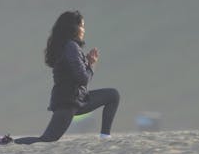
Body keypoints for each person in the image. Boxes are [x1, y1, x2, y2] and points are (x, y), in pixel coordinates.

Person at [14, 11, 120, 144]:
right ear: (74, 28)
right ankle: (7, 142)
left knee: (113, 95)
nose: (84, 30)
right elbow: (83, 79)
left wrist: (86, 63)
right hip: (68, 102)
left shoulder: (67, 47)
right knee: (47, 139)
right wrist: (91, 65)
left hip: (77, 99)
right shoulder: (71, 47)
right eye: (82, 25)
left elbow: (75, 74)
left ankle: (105, 137)